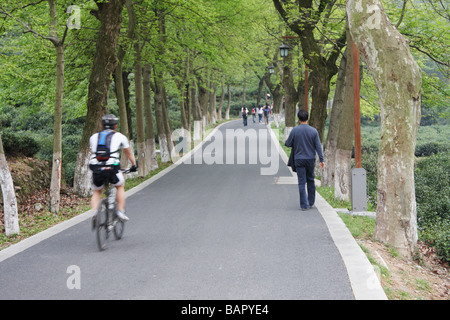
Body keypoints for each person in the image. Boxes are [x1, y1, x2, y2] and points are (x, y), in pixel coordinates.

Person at [89, 114, 137, 221]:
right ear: (115, 126)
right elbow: (128, 153)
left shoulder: (93, 137)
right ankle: (120, 212)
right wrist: (134, 165)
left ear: (101, 126)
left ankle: (95, 211)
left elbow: (93, 151)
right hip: (112, 166)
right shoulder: (120, 136)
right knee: (119, 186)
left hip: (95, 165)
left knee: (97, 191)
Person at [285, 110, 325, 211]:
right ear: (308, 118)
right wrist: (321, 159)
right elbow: (318, 147)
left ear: (298, 119)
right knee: (311, 180)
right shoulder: (313, 131)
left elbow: (288, 143)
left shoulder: (295, 130)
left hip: (299, 159)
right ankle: (311, 201)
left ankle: (304, 205)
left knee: (301, 182)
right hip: (310, 159)